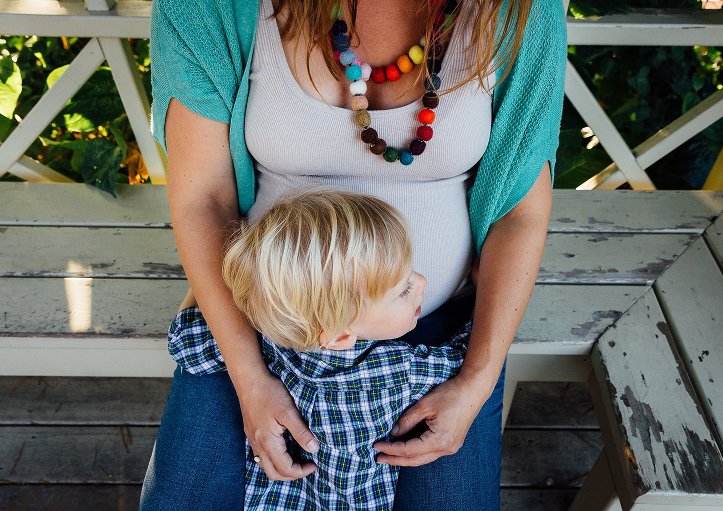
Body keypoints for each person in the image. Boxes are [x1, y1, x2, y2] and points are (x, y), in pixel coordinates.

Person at [140, 0, 566, 508]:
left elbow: (518, 212)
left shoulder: (515, 9)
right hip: (260, 321)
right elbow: (202, 199)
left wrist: (476, 379)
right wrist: (250, 378)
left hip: (440, 337)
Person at [169, 188, 473, 509]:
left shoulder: (270, 342)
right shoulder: (398, 370)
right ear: (341, 337)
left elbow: (185, 343)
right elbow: (464, 357)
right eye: (403, 289)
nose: (422, 281)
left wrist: (204, 289)